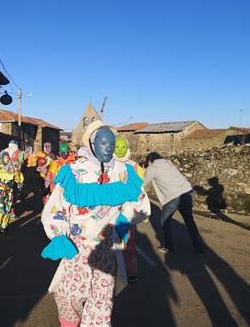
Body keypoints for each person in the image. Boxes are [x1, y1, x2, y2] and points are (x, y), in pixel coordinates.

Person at [41, 121, 150, 326]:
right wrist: (58, 235)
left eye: (112, 143)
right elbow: (57, 207)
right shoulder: (73, 172)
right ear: (92, 144)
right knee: (69, 295)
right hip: (77, 246)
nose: (108, 148)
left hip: (107, 246)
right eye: (103, 143)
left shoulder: (124, 172)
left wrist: (123, 221)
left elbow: (139, 203)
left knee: (102, 302)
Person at [143, 152, 204, 255]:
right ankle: (199, 248)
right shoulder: (168, 163)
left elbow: (143, 183)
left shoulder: (152, 168)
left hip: (173, 196)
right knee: (189, 221)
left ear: (150, 161)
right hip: (187, 192)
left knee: (164, 221)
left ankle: (169, 247)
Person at [114, 137, 145, 283]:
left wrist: (140, 207)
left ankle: (131, 270)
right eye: (117, 147)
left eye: (122, 147)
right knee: (111, 240)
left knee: (129, 241)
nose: (119, 150)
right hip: (110, 209)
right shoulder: (107, 164)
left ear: (127, 148)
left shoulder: (134, 166)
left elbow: (140, 188)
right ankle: (113, 268)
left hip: (127, 210)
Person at [0, 150, 24, 234]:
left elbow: (18, 179)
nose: (6, 159)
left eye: (7, 157)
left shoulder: (12, 166)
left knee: (7, 209)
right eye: (4, 157)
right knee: (0, 209)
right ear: (1, 158)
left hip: (9, 191)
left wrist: (17, 174)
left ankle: (3, 226)